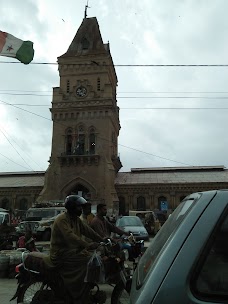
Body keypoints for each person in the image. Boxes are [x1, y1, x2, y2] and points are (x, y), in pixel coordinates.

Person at [49, 195, 104, 303]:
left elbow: (87, 231)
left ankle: (83, 288)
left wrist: (102, 239)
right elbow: (70, 236)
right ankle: (76, 291)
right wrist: (87, 245)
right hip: (60, 253)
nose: (81, 209)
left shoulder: (75, 219)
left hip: (72, 251)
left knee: (94, 258)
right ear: (72, 207)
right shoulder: (62, 220)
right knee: (88, 261)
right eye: (79, 207)